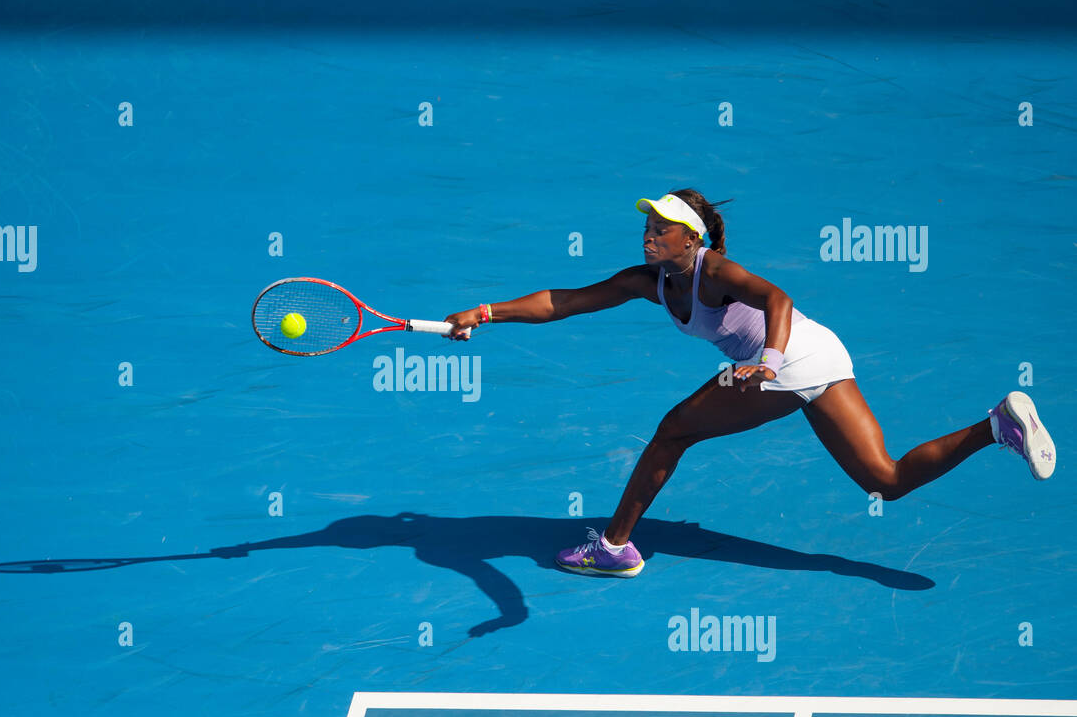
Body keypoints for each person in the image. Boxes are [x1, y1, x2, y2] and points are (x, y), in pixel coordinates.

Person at [444, 188, 1056, 578]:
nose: (649, 232)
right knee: (885, 479)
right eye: (648, 224)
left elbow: (776, 297)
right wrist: (486, 312)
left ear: (692, 237)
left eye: (662, 226)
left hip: (787, 358)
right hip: (821, 352)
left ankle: (615, 546)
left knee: (671, 432)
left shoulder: (718, 273)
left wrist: (767, 358)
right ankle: (994, 426)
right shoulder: (645, 279)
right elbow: (565, 300)